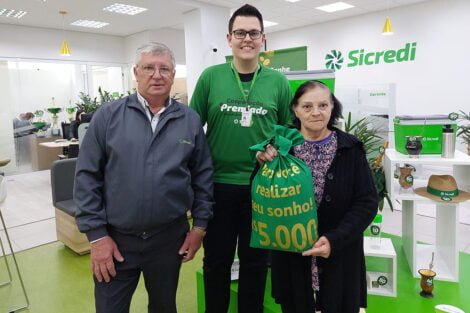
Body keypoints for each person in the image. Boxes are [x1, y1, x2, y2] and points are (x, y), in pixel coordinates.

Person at [74, 42, 214, 313]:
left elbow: (202, 176)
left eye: (165, 69)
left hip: (168, 240)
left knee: (164, 307)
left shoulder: (189, 120)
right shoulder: (108, 116)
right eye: (149, 68)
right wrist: (96, 236)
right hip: (115, 241)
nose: (157, 75)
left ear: (173, 75)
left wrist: (199, 227)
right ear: (136, 73)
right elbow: (87, 177)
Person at [190, 4, 292, 313]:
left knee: (256, 261)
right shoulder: (211, 77)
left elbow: (287, 131)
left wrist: (277, 149)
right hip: (217, 186)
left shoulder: (278, 82)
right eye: (240, 33)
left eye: (253, 33)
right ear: (229, 38)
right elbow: (192, 130)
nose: (246, 39)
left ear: (263, 38)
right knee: (216, 261)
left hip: (261, 187)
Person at [256, 80, 377, 313]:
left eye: (323, 105)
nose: (316, 112)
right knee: (296, 304)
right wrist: (261, 165)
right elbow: (261, 196)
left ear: (333, 107)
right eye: (307, 106)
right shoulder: (280, 149)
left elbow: (366, 202)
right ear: (295, 109)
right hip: (292, 255)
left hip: (339, 254)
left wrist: (335, 239)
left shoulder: (350, 148)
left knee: (339, 303)